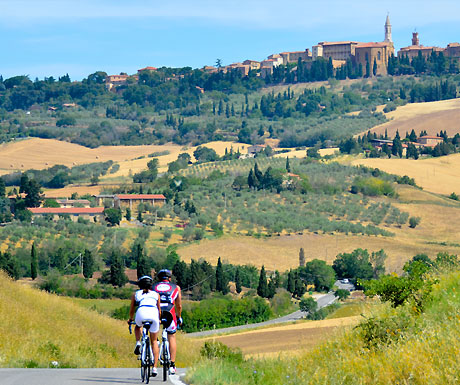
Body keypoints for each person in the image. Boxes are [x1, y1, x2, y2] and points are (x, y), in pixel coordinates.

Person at [128, 275, 161, 377]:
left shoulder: (136, 294)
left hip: (141, 312)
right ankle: (155, 368)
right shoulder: (156, 294)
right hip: (153, 314)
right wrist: (159, 319)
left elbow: (132, 309)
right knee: (154, 341)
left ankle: (138, 342)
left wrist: (130, 319)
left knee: (138, 326)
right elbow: (159, 309)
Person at [153, 269, 182, 375]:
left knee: (153, 335)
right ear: (169, 278)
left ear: (159, 278)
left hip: (156, 311)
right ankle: (172, 365)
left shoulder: (153, 287)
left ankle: (154, 350)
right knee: (172, 336)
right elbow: (178, 305)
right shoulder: (176, 287)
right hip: (169, 311)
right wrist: (179, 317)